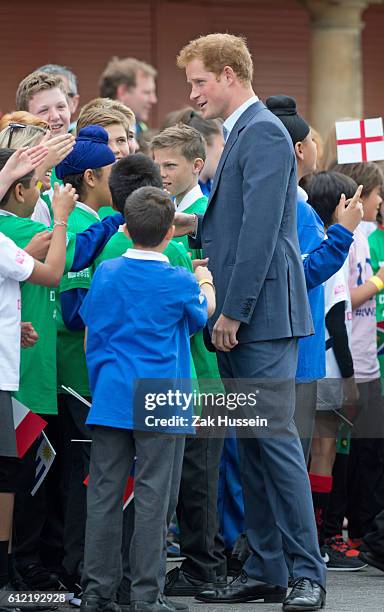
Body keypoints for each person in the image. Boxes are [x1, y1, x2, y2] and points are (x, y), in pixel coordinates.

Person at [175, 33, 326, 610]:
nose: (193, 94)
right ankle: (267, 568)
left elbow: (262, 230)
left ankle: (306, 572)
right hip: (253, 312)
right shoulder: (250, 131)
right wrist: (195, 230)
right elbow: (240, 220)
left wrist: (232, 311)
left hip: (257, 314)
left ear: (230, 75)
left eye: (199, 81)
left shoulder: (260, 131)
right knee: (255, 443)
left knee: (275, 441)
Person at [79, 186, 215, 612]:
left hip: (112, 393)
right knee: (157, 498)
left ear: (124, 226)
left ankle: (97, 591)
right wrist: (204, 279)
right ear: (170, 231)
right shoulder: (176, 279)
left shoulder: (107, 272)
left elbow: (91, 329)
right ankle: (145, 595)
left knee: (103, 494)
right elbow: (203, 312)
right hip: (163, 398)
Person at [151, 125, 227, 596]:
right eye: (156, 166)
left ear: (196, 167)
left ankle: (206, 568)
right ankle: (200, 562)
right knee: (186, 479)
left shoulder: (205, 215)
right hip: (182, 373)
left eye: (171, 166)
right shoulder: (160, 214)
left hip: (205, 369)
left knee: (199, 480)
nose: (162, 175)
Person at [0, 147, 77, 603]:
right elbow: (53, 271)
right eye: (40, 182)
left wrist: (14, 326)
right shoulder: (22, 234)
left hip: (21, 372)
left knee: (16, 477)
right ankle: (15, 570)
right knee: (15, 478)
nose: (45, 191)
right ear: (21, 190)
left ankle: (13, 569)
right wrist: (65, 218)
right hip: (22, 382)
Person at [308, 171, 367, 571]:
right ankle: (319, 537)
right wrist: (349, 379)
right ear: (338, 206)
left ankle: (316, 534)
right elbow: (336, 321)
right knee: (322, 451)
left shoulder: (314, 240)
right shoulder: (333, 247)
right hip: (327, 365)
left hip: (311, 363)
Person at [161, 107, 224, 196]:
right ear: (203, 146)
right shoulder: (177, 195)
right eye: (223, 145)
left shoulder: (211, 188)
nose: (226, 152)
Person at [98, 58, 157, 136]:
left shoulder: (140, 128)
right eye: (147, 92)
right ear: (122, 91)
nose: (154, 100)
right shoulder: (84, 131)